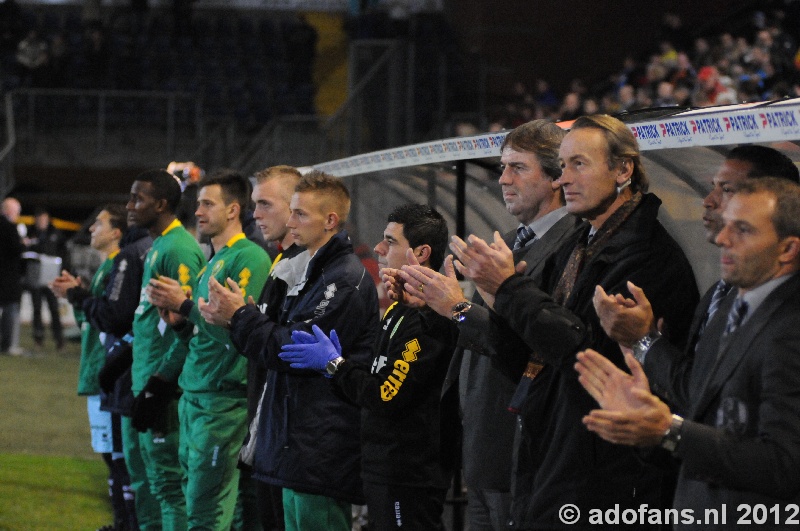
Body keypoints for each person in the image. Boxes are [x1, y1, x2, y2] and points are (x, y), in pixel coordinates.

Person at [416, 114, 698, 529]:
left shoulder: (645, 255)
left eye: (578, 164)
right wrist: (480, 304)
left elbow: (583, 354)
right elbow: (536, 356)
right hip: (554, 456)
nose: (564, 178)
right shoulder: (585, 242)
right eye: (563, 165)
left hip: (604, 475)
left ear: (623, 169)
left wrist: (505, 289)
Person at [576, 177, 800, 529]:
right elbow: (707, 424)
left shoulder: (790, 327)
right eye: (726, 226)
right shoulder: (729, 306)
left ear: (788, 249)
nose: (723, 239)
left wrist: (670, 430)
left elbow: (785, 463)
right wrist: (650, 426)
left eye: (742, 230)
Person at [396, 119, 582, 530]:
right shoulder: (517, 239)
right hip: (481, 446)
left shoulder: (572, 247)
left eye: (518, 167)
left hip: (515, 450)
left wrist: (459, 307)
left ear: (556, 178)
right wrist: (434, 304)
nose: (503, 179)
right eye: (502, 167)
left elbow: (534, 349)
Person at [199, 170, 378, 531]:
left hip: (317, 449)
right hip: (293, 443)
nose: (289, 221)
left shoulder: (343, 278)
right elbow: (273, 343)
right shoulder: (307, 269)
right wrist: (240, 320)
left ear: (330, 220)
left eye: (299, 214)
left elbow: (290, 350)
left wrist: (241, 317)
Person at [280, 204, 457, 529]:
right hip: (383, 465)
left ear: (421, 252)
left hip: (409, 472)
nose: (378, 248)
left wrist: (335, 365)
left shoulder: (428, 320)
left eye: (390, 241)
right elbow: (377, 378)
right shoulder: (400, 309)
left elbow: (386, 394)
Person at [145, 171, 270, 529]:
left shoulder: (250, 258)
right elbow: (204, 334)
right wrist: (181, 324)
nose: (197, 211)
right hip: (195, 396)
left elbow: (239, 335)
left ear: (233, 210)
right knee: (198, 504)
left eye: (207, 204)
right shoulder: (213, 260)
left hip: (222, 404)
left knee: (206, 512)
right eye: (198, 203)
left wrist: (185, 307)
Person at [199, 164, 302, 531]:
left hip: (290, 432)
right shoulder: (279, 262)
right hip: (267, 421)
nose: (254, 213)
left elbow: (286, 346)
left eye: (265, 204)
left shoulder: (309, 271)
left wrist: (237, 318)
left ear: (297, 208)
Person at [52, 211, 154, 530]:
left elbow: (112, 320)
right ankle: (121, 522)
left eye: (100, 223)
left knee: (119, 457)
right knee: (113, 455)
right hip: (100, 371)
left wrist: (77, 296)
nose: (93, 228)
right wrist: (77, 296)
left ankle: (127, 523)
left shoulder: (119, 266)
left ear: (116, 233)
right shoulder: (106, 269)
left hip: (109, 373)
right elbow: (90, 322)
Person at [125, 169, 205, 530]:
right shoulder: (159, 244)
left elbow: (187, 326)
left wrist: (161, 382)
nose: (129, 206)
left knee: (168, 485)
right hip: (145, 378)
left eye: (137, 199)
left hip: (163, 388)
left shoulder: (179, 249)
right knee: (148, 481)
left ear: (160, 204)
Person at [27, 207, 67, 350]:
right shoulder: (30, 233)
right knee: (36, 309)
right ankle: (38, 338)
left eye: (43, 219)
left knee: (54, 309)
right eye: (39, 220)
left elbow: (64, 252)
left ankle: (59, 339)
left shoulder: (55, 233)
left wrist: (62, 271)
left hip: (51, 278)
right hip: (36, 277)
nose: (41, 222)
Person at [0, 197, 24, 356]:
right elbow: (16, 249)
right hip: (8, 277)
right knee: (11, 310)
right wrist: (23, 244)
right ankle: (8, 345)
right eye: (16, 211)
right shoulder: (9, 227)